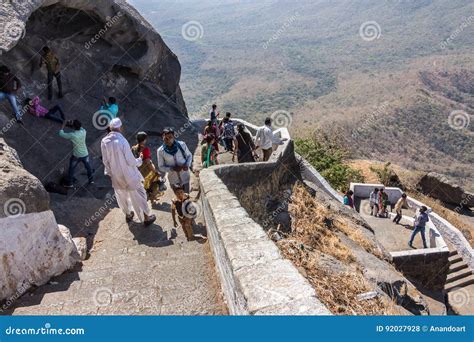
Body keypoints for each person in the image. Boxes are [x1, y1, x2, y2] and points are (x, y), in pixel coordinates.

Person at [101, 118, 156, 226]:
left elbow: (105, 161)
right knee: (140, 194)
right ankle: (146, 218)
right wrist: (139, 160)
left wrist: (111, 173)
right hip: (129, 175)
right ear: (120, 127)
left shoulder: (104, 141)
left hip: (116, 176)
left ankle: (128, 214)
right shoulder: (122, 141)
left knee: (122, 195)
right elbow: (130, 161)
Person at [131, 132, 166, 203]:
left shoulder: (133, 148)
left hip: (138, 171)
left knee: (147, 186)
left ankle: (152, 198)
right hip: (146, 171)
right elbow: (148, 162)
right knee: (156, 182)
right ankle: (152, 197)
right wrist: (155, 171)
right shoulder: (145, 149)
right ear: (144, 140)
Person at [157, 127, 193, 194]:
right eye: (166, 138)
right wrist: (172, 169)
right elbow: (161, 167)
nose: (168, 140)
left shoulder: (182, 145)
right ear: (163, 138)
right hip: (173, 179)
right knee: (179, 198)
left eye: (170, 137)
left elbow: (189, 155)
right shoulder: (160, 151)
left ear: (174, 137)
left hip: (185, 176)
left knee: (187, 196)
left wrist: (187, 165)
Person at [59, 120, 93, 188]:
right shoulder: (84, 131)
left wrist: (63, 124)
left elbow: (61, 134)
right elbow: (80, 127)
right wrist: (73, 124)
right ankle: (91, 180)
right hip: (85, 154)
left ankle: (70, 184)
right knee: (88, 168)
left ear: (73, 127)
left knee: (71, 169)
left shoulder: (72, 135)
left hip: (76, 156)